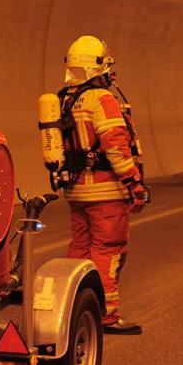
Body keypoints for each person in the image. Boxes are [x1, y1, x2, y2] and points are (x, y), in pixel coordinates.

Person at [52, 35, 148, 335]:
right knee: (109, 250)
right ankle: (107, 315)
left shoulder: (64, 99)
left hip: (76, 190)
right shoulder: (101, 99)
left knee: (80, 248)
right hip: (105, 191)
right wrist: (134, 181)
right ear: (99, 68)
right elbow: (116, 146)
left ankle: (74, 309)